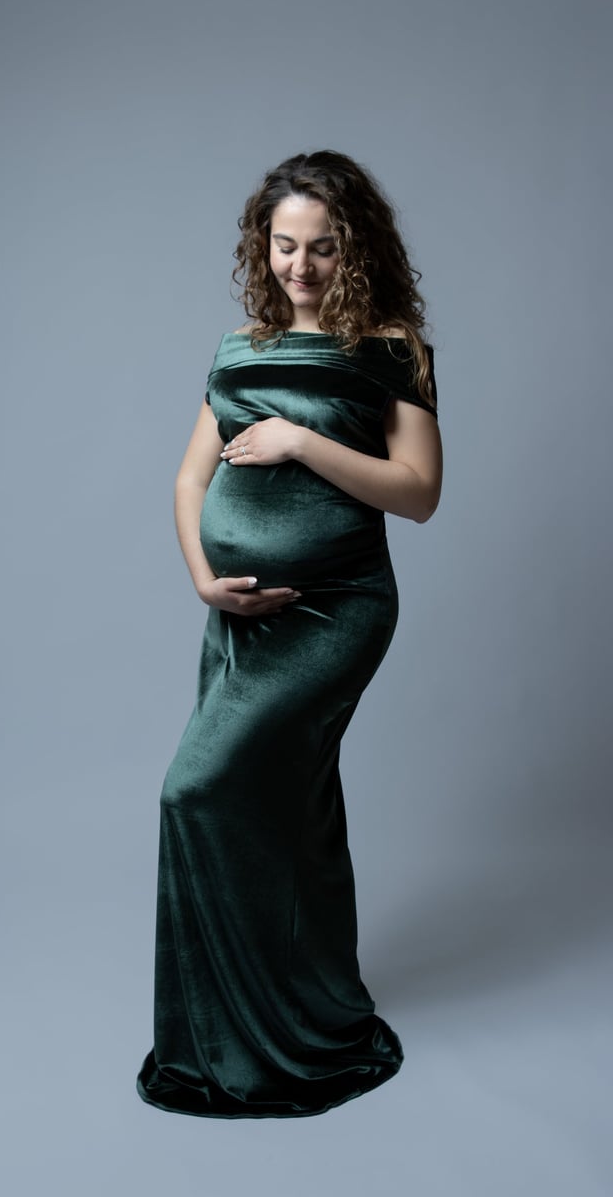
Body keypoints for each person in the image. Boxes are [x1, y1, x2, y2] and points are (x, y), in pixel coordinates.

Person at [136, 150, 443, 1118]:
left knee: (197, 789)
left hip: (336, 609)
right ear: (260, 246)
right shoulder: (238, 348)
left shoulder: (390, 348)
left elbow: (419, 493)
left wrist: (300, 439)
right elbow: (190, 479)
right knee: (286, 809)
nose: (299, 265)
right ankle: (266, 1010)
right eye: (283, 245)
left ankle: (276, 1026)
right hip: (237, 620)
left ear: (356, 248)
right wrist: (204, 578)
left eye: (321, 247)